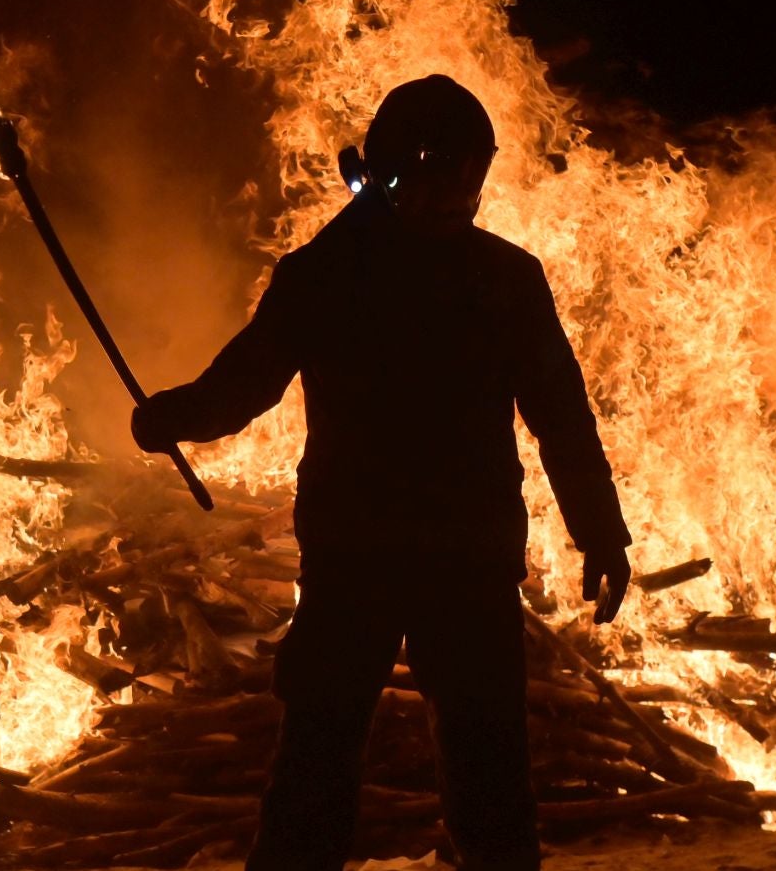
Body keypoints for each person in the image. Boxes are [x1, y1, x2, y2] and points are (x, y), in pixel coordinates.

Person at [130, 75, 633, 871]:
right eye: (441, 177)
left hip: (463, 562)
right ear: (397, 171)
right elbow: (245, 384)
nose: (458, 197)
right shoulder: (325, 275)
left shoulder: (501, 278)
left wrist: (600, 530)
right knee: (313, 775)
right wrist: (173, 416)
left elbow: (562, 418)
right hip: (354, 560)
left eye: (471, 178)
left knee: (489, 785)